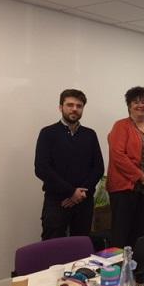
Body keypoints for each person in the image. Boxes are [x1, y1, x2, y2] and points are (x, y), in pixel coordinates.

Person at [35, 89, 104, 240]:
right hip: (56, 201)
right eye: (70, 105)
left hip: (84, 201)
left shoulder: (90, 134)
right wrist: (71, 192)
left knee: (81, 249)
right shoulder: (47, 133)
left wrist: (79, 194)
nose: (74, 109)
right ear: (61, 107)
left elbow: (98, 168)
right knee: (52, 248)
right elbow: (42, 169)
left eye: (79, 106)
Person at [107, 86, 144, 248]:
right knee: (121, 234)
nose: (141, 105)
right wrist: (142, 176)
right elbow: (118, 156)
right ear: (129, 105)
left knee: (141, 233)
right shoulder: (121, 126)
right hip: (125, 189)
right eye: (136, 102)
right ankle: (118, 270)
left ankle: (138, 270)